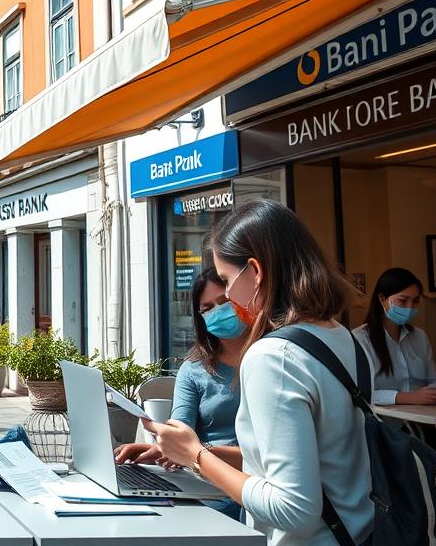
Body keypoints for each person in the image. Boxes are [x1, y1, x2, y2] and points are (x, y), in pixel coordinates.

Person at [149, 199, 373, 546]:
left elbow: (293, 510)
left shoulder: (272, 356)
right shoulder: (341, 337)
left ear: (255, 271)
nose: (227, 296)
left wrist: (196, 455)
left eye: (225, 280)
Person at [115, 267, 244, 520]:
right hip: (206, 481)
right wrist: (161, 449)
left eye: (225, 302)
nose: (218, 312)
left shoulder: (267, 357)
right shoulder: (194, 368)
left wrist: (196, 452)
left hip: (244, 485)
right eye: (207, 308)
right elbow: (180, 430)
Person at [352, 267, 436, 484]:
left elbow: (434, 380)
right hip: (384, 433)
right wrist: (407, 397)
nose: (410, 308)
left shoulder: (419, 337)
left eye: (415, 301)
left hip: (421, 429)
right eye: (402, 301)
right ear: (382, 299)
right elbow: (359, 394)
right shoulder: (360, 339)